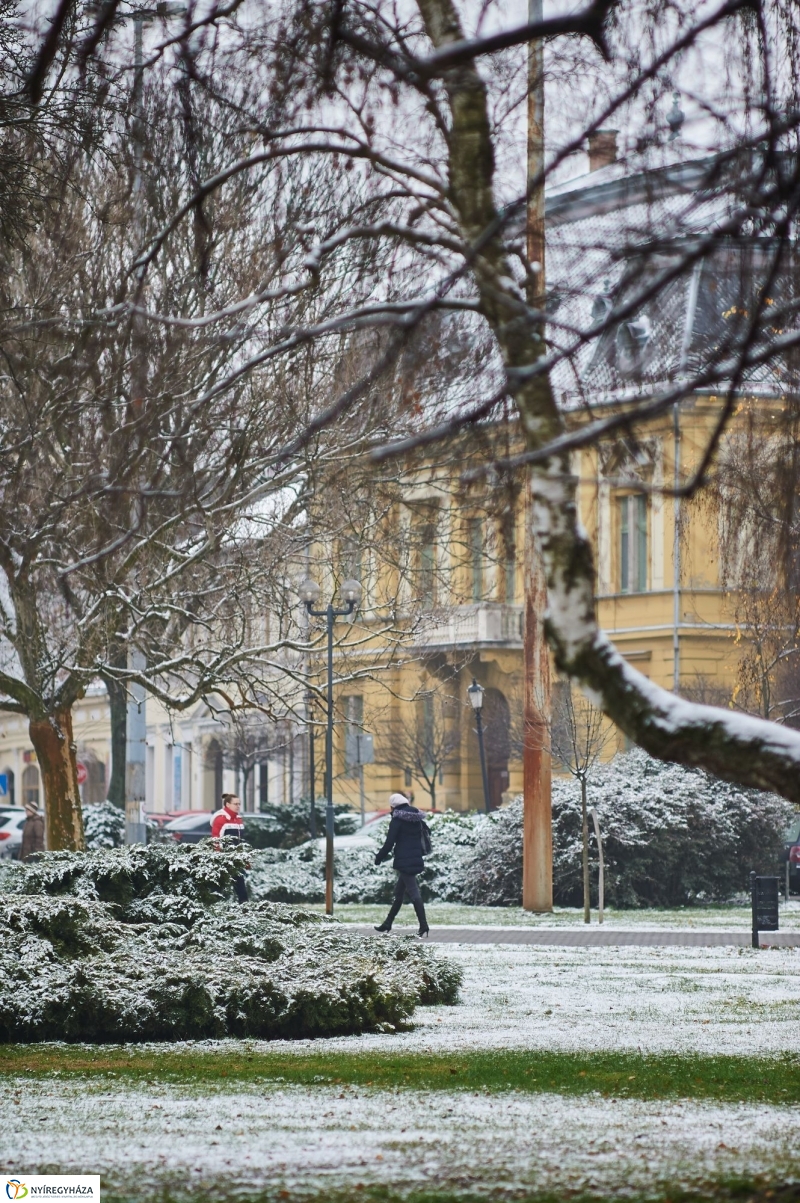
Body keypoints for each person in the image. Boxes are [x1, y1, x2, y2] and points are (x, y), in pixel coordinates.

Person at [373, 792, 430, 937]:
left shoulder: (397, 820)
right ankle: (387, 923)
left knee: (413, 892)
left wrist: (379, 858)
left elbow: (389, 843)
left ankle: (424, 925)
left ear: (393, 806)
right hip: (415, 858)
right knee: (399, 893)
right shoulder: (416, 819)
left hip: (405, 861)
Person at [211, 792, 248, 904]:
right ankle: (214, 904)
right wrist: (219, 855)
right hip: (224, 857)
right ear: (227, 804)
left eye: (239, 804)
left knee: (240, 882)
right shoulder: (221, 819)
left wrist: (245, 858)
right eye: (235, 804)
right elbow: (216, 838)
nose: (238, 806)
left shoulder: (238, 819)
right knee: (218, 884)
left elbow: (241, 841)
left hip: (236, 858)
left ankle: (244, 905)